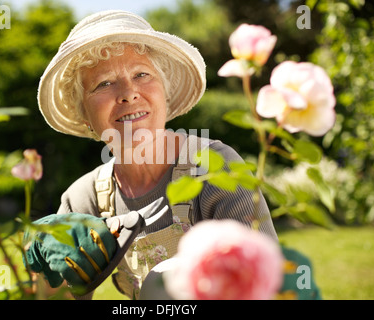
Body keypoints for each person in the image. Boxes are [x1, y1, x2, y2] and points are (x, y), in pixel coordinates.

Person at [37, 10, 278, 300]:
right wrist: (50, 275)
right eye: (104, 83)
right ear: (84, 115)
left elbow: (268, 282)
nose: (128, 93)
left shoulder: (214, 168)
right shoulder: (85, 198)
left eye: (142, 74)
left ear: (163, 94)